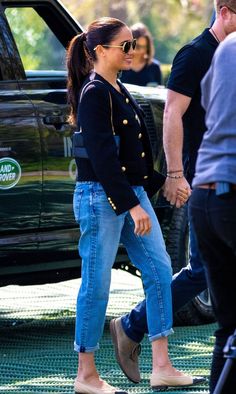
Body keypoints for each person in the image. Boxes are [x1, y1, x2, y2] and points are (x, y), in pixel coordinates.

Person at [66, 16, 202, 394]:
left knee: (159, 271)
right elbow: (104, 158)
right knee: (97, 283)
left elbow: (134, 159)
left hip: (129, 194)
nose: (134, 51)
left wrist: (168, 184)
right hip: (101, 197)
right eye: (125, 45)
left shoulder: (118, 89)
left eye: (135, 45)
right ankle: (86, 374)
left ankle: (162, 365)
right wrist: (132, 205)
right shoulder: (95, 92)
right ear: (100, 51)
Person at [110, 0, 236, 385]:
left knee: (201, 272)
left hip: (212, 179)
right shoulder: (197, 54)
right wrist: (176, 173)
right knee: (200, 270)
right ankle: (132, 323)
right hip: (206, 179)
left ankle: (133, 325)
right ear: (224, 10)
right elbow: (171, 112)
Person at [189, 32, 236, 394]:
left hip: (204, 196)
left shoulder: (228, 47)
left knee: (229, 325)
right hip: (231, 194)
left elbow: (207, 104)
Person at [120, 22, 162, 86]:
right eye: (137, 47)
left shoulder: (154, 67)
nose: (141, 51)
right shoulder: (119, 66)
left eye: (144, 47)